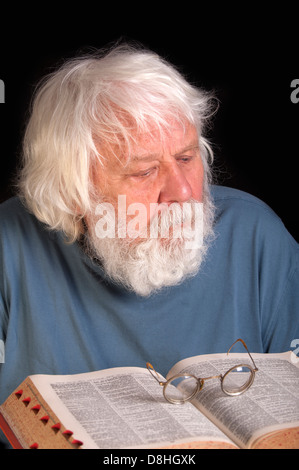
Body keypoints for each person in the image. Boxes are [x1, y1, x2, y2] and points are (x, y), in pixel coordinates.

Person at [0, 43, 298, 447]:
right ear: (74, 193)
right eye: (144, 171)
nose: (183, 192)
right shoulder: (7, 246)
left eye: (187, 158)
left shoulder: (257, 235)